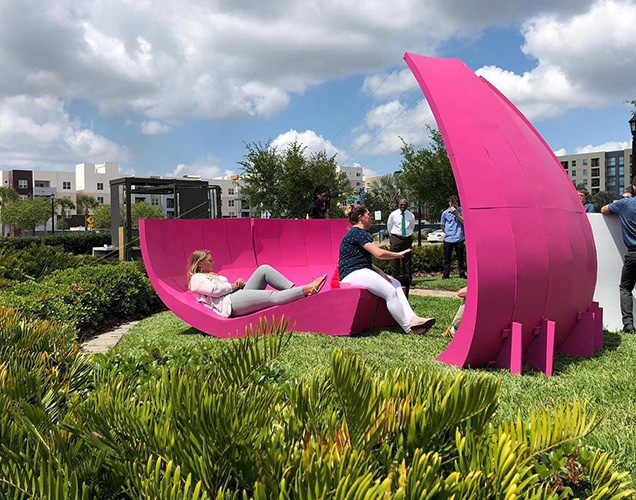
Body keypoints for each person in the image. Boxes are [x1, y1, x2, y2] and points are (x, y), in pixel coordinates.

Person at [338, 205, 436, 334]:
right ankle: (409, 328)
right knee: (390, 293)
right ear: (361, 218)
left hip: (358, 271)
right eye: (368, 214)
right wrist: (397, 254)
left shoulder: (357, 233)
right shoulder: (358, 233)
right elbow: (378, 253)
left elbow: (361, 260)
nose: (370, 217)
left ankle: (413, 318)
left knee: (395, 283)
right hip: (352, 274)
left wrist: (380, 272)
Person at [188, 250, 327, 317]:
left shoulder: (211, 275)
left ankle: (294, 290)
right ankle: (307, 289)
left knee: (263, 270)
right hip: (230, 303)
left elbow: (222, 288)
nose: (213, 263)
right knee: (271, 296)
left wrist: (239, 285)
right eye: (210, 261)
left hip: (235, 295)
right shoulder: (197, 278)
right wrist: (234, 286)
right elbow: (215, 291)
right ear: (200, 264)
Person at [601, 177, 636, 333]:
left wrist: (624, 200)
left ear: (634, 187)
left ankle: (628, 325)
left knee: (626, 288)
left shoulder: (625, 204)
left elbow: (603, 209)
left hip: (633, 254)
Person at [387, 198, 415, 289]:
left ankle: (408, 280)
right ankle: (396, 280)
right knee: (395, 260)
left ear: (407, 205)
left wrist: (408, 235)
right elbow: (389, 226)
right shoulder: (393, 215)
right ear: (398, 204)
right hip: (396, 238)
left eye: (405, 204)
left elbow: (412, 226)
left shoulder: (411, 215)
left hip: (407, 239)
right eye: (401, 204)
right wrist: (392, 237)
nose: (403, 206)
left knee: (407, 260)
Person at [441, 195, 466, 280]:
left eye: (455, 202)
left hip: (459, 238)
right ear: (449, 203)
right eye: (451, 203)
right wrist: (448, 233)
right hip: (448, 238)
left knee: (460, 258)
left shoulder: (461, 210)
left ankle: (462, 274)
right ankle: (446, 275)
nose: (453, 204)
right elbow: (443, 226)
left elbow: (463, 222)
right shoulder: (445, 213)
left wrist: (456, 213)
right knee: (447, 258)